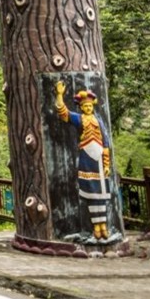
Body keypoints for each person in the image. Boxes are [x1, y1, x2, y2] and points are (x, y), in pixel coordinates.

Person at [54, 80, 112, 240]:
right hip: (87, 158)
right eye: (85, 106)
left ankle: (103, 225)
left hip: (100, 159)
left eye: (90, 106)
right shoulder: (79, 119)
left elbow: (105, 142)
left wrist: (107, 164)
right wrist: (59, 95)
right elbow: (63, 112)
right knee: (91, 193)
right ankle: (96, 227)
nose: (88, 108)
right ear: (81, 107)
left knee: (102, 192)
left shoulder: (99, 121)